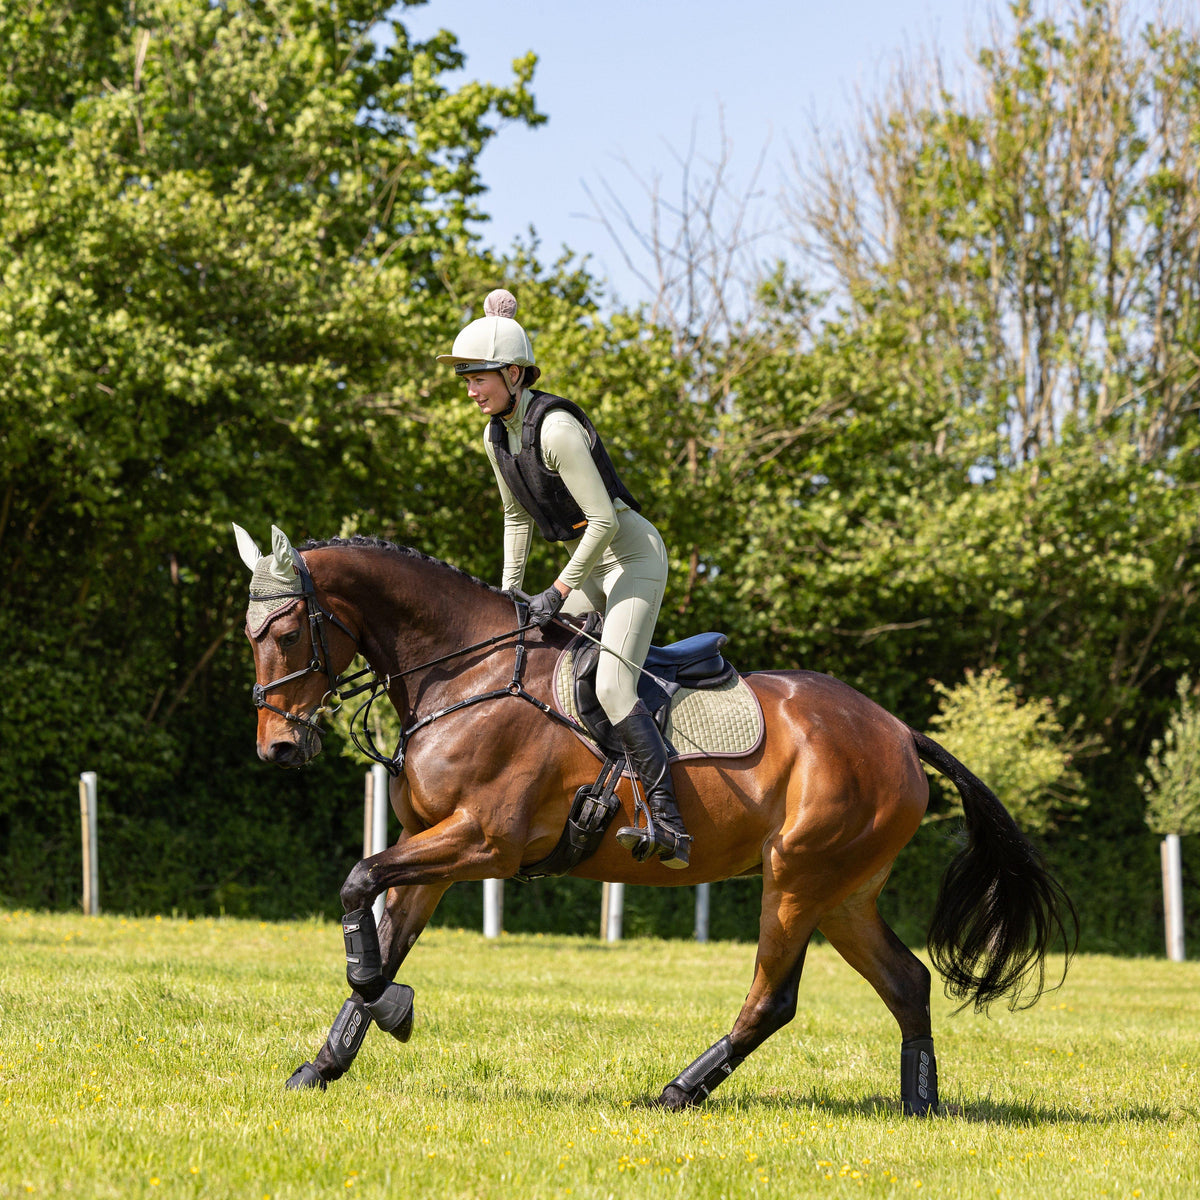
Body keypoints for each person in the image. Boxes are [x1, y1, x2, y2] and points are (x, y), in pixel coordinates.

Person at [437, 289, 692, 869]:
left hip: (630, 557)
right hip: (589, 560)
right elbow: (515, 518)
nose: (471, 390)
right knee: (538, 664)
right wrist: (508, 594)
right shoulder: (496, 436)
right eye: (467, 380)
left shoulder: (555, 430)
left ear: (513, 372)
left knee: (610, 687)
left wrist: (554, 591)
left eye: (479, 377)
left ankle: (669, 823)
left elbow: (603, 521)